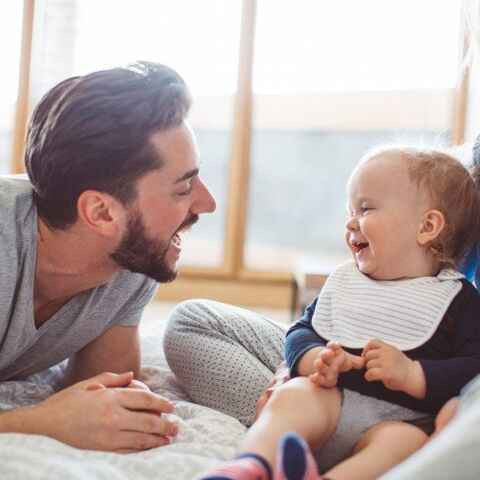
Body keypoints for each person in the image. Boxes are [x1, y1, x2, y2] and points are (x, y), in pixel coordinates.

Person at [165, 145, 480, 479]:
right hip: (330, 399)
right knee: (294, 398)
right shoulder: (346, 280)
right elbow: (302, 330)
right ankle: (252, 463)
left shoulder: (458, 299)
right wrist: (312, 358)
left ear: (427, 226)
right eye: (350, 209)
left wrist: (413, 374)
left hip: (402, 418)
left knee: (404, 444)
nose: (350, 222)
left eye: (366, 208)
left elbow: (472, 364)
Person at [0, 61, 216, 452]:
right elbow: (61, 416)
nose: (209, 203)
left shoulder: (132, 257)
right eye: (183, 189)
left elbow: (103, 389)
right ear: (100, 212)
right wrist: (39, 422)